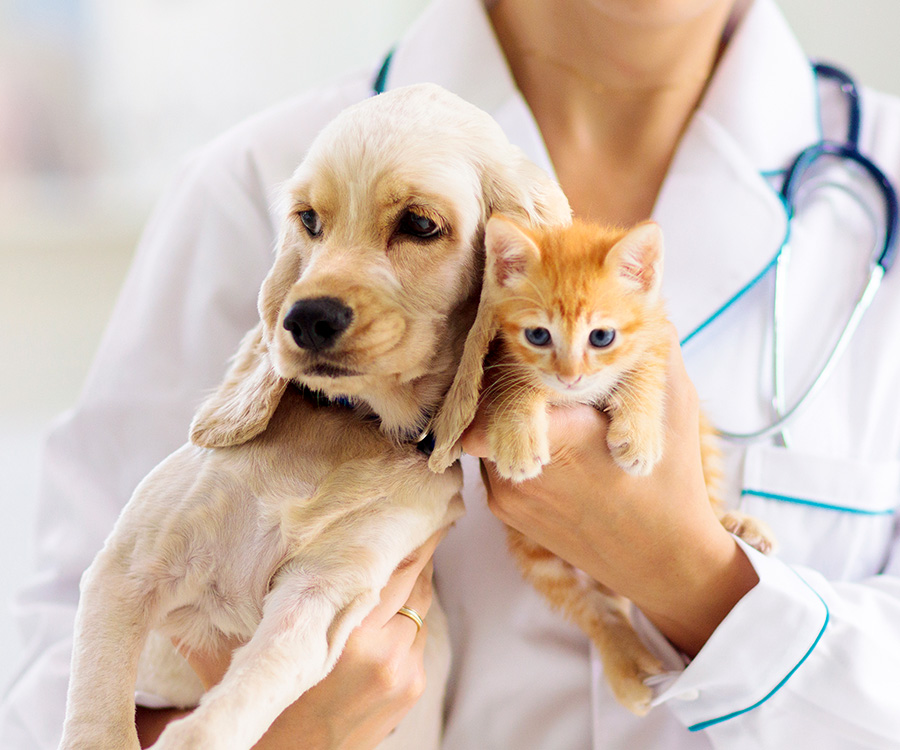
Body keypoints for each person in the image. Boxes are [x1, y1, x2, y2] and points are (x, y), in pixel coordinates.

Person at [4, 0, 900, 747]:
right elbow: (50, 654)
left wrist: (696, 581)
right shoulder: (254, 186)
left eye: (418, 228)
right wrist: (274, 732)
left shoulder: (876, 190)